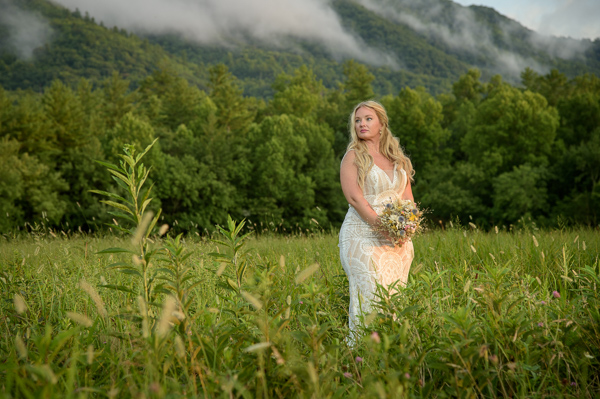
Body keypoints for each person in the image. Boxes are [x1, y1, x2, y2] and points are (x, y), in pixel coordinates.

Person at [338, 100, 415, 343]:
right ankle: (362, 357)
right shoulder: (353, 156)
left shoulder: (397, 158)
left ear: (381, 124)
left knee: (394, 301)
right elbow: (354, 198)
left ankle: (389, 357)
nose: (361, 124)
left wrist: (407, 227)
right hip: (363, 236)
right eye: (357, 120)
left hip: (398, 241)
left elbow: (408, 198)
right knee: (371, 299)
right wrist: (382, 227)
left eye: (368, 119)